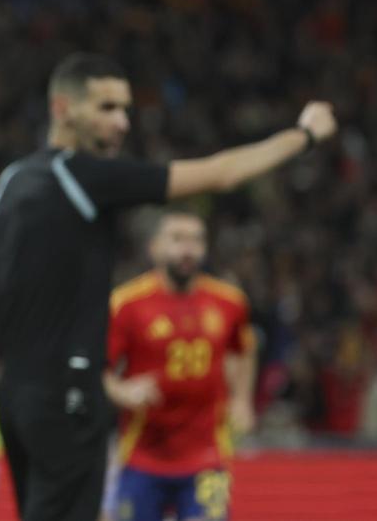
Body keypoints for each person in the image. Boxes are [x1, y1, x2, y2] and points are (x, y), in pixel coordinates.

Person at [0, 52, 334, 521]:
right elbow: (221, 173)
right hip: (69, 398)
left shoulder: (11, 183)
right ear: (63, 109)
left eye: (125, 110)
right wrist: (304, 136)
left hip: (15, 400)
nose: (121, 123)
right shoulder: (86, 176)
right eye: (106, 108)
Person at [103, 210, 255, 521]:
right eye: (177, 239)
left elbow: (243, 349)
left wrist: (242, 399)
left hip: (208, 455)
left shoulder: (229, 302)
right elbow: (98, 370)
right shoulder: (126, 304)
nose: (188, 249)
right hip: (142, 455)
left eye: (196, 240)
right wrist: (122, 391)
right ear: (154, 247)